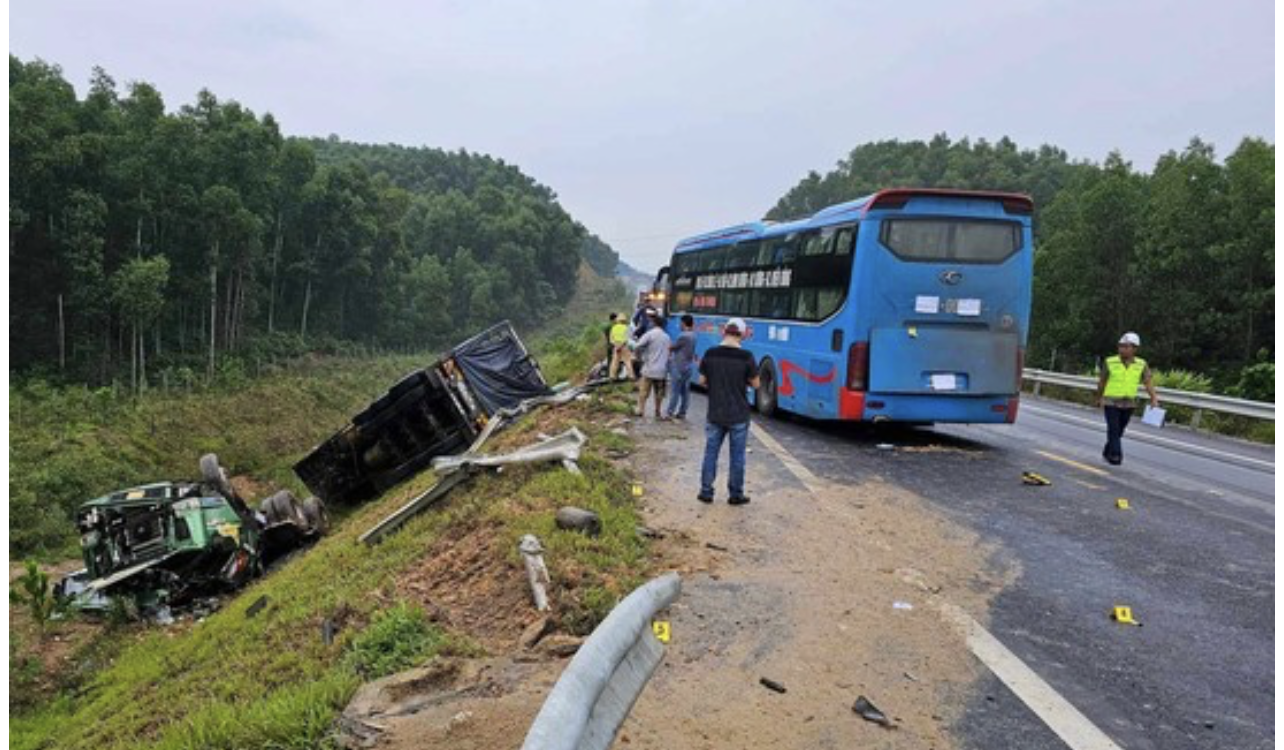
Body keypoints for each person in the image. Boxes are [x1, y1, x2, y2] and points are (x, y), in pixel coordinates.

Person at [698, 317, 758, 505]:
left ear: (724, 332)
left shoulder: (711, 353)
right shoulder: (746, 356)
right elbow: (756, 384)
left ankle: (706, 492)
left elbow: (701, 381)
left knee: (711, 452)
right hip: (738, 414)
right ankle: (735, 494)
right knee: (737, 456)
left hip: (715, 412)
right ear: (741, 335)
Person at [1095, 332, 1159, 465]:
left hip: (1129, 403)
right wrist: (1099, 397)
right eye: (1120, 346)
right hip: (1111, 401)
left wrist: (1153, 398)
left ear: (1135, 349)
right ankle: (1116, 455)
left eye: (1126, 346)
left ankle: (1108, 451)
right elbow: (1102, 381)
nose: (1122, 349)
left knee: (1119, 430)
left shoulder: (1141, 364)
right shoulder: (1110, 361)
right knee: (1113, 428)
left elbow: (1147, 382)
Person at [632, 309, 671, 419]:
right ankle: (657, 411)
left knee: (643, 391)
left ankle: (641, 410)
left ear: (653, 323)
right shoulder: (667, 337)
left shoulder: (649, 334)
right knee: (659, 393)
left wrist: (638, 357)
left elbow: (637, 346)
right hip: (662, 371)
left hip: (649, 369)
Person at [665, 314, 697, 420]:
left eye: (680, 322)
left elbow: (673, 347)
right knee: (685, 392)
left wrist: (669, 346)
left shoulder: (683, 336)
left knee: (675, 391)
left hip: (678, 366)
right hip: (688, 366)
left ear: (683, 323)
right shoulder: (694, 335)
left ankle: (670, 412)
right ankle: (682, 412)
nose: (679, 324)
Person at [608, 313, 633, 380]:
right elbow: (628, 338)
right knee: (627, 361)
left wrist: (617, 345)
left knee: (615, 362)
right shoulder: (627, 328)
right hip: (624, 346)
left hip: (616, 346)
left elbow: (611, 339)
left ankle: (612, 376)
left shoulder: (613, 328)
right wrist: (621, 345)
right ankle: (631, 376)